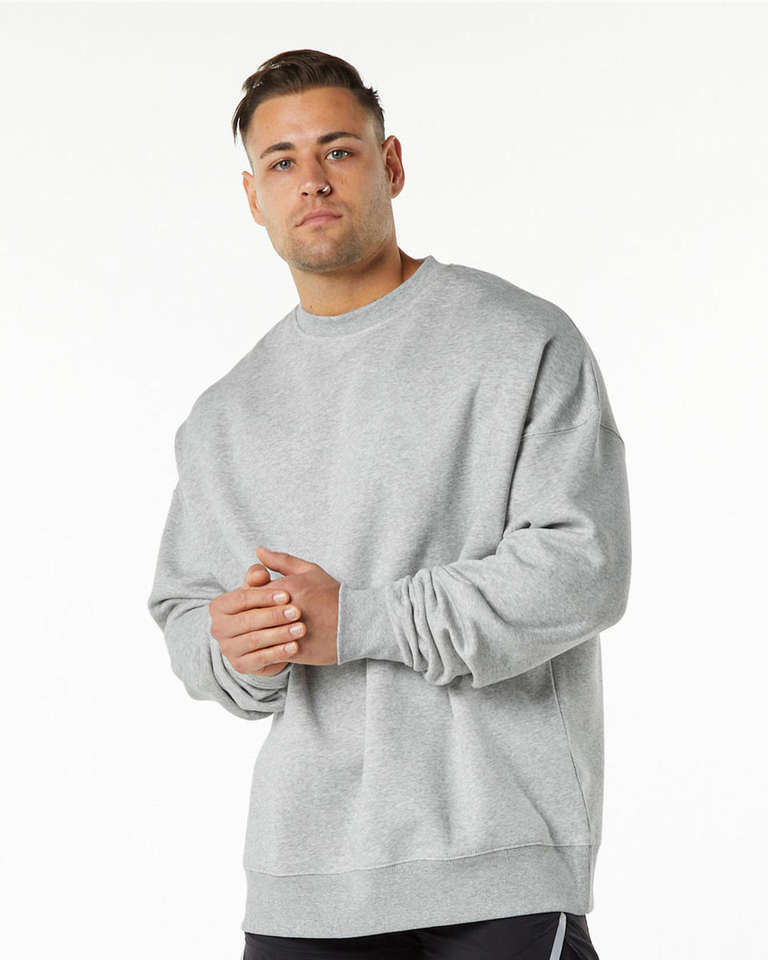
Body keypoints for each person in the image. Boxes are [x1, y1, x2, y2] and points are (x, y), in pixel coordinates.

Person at [147, 48, 632, 960]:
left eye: (338, 150)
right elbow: (186, 613)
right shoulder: (226, 415)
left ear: (392, 163)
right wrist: (235, 647)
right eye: (282, 161)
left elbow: (583, 568)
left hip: (496, 865)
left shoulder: (518, 341)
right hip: (304, 881)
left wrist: (359, 619)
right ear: (253, 196)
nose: (312, 180)